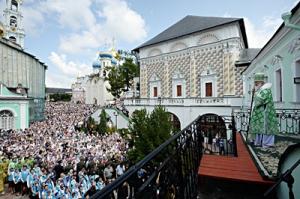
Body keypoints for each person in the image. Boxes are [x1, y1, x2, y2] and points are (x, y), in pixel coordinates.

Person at [249, 73, 278, 147]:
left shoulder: (266, 90)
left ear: (261, 83)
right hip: (259, 112)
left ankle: (267, 143)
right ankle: (258, 142)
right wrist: (255, 92)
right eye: (255, 83)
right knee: (259, 128)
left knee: (265, 129)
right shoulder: (261, 90)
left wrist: (255, 94)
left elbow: (260, 101)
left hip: (265, 113)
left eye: (256, 83)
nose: (255, 85)